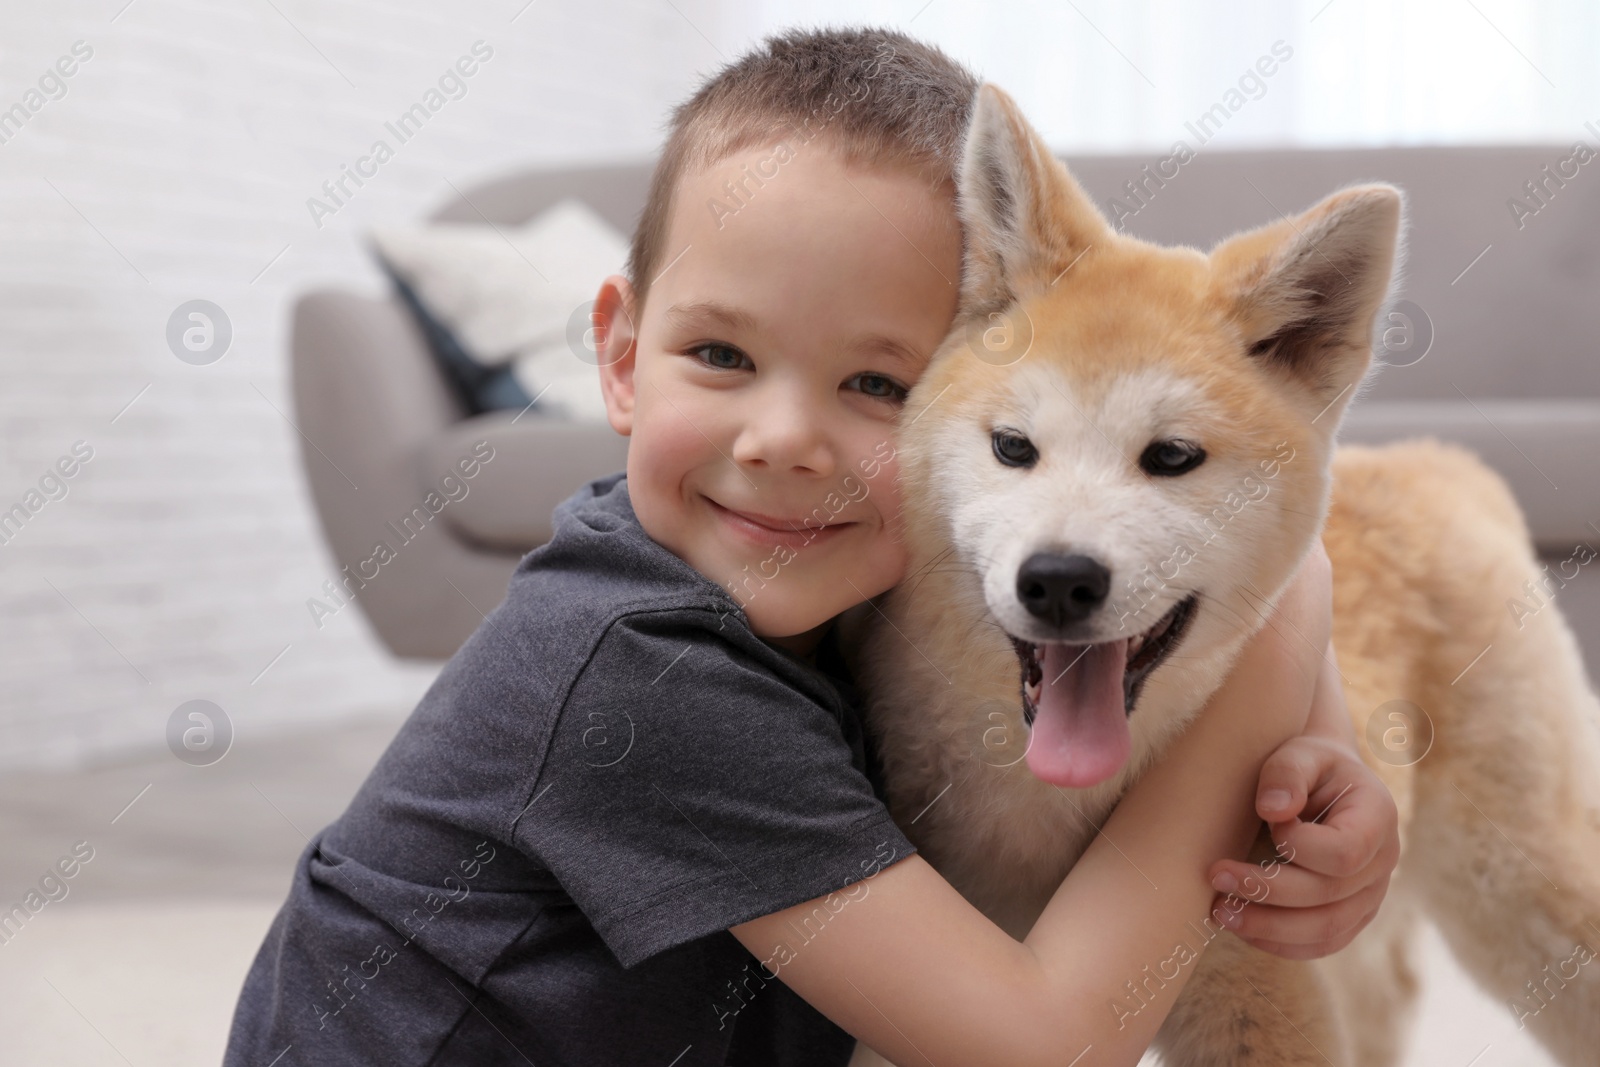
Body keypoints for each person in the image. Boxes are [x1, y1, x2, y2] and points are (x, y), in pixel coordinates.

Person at [223, 26, 1400, 1067]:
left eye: (878, 382)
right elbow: (1043, 1041)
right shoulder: (640, 671)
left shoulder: (799, 568)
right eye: (721, 356)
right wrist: (1291, 614)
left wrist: (1326, 749)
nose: (783, 440)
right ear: (622, 359)